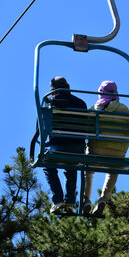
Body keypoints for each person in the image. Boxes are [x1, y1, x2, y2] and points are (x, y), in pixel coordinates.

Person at [83, 81, 129, 216]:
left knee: (88, 170)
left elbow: (85, 129)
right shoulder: (124, 109)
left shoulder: (94, 108)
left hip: (96, 151)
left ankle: (86, 200)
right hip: (118, 153)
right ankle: (103, 199)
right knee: (113, 170)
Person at [43, 76, 87, 213]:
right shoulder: (81, 103)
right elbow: (87, 128)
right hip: (77, 148)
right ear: (68, 86)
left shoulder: (49, 103)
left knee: (48, 166)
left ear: (53, 90)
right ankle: (70, 202)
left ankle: (58, 200)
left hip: (58, 146)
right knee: (71, 166)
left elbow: (42, 127)